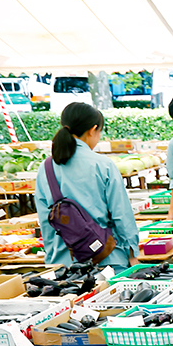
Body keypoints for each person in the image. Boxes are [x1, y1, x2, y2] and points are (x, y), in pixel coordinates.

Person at [36, 102, 139, 270]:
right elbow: (121, 215)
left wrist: (53, 260)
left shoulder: (46, 167)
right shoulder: (103, 165)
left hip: (64, 265)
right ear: (93, 129)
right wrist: (132, 252)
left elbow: (46, 221)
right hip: (107, 260)